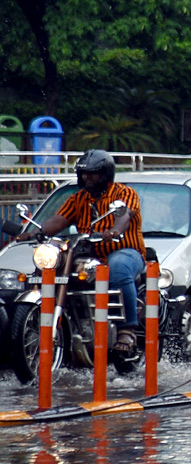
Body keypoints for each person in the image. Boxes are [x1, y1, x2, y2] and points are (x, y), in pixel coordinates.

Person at [16, 149, 145, 354]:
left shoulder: (124, 193)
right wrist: (34, 232)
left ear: (105, 174)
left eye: (92, 173)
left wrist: (114, 230)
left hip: (124, 249)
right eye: (84, 173)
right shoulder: (78, 198)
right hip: (88, 254)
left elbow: (125, 215)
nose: (86, 177)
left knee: (118, 267)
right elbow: (59, 221)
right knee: (51, 265)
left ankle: (126, 330)